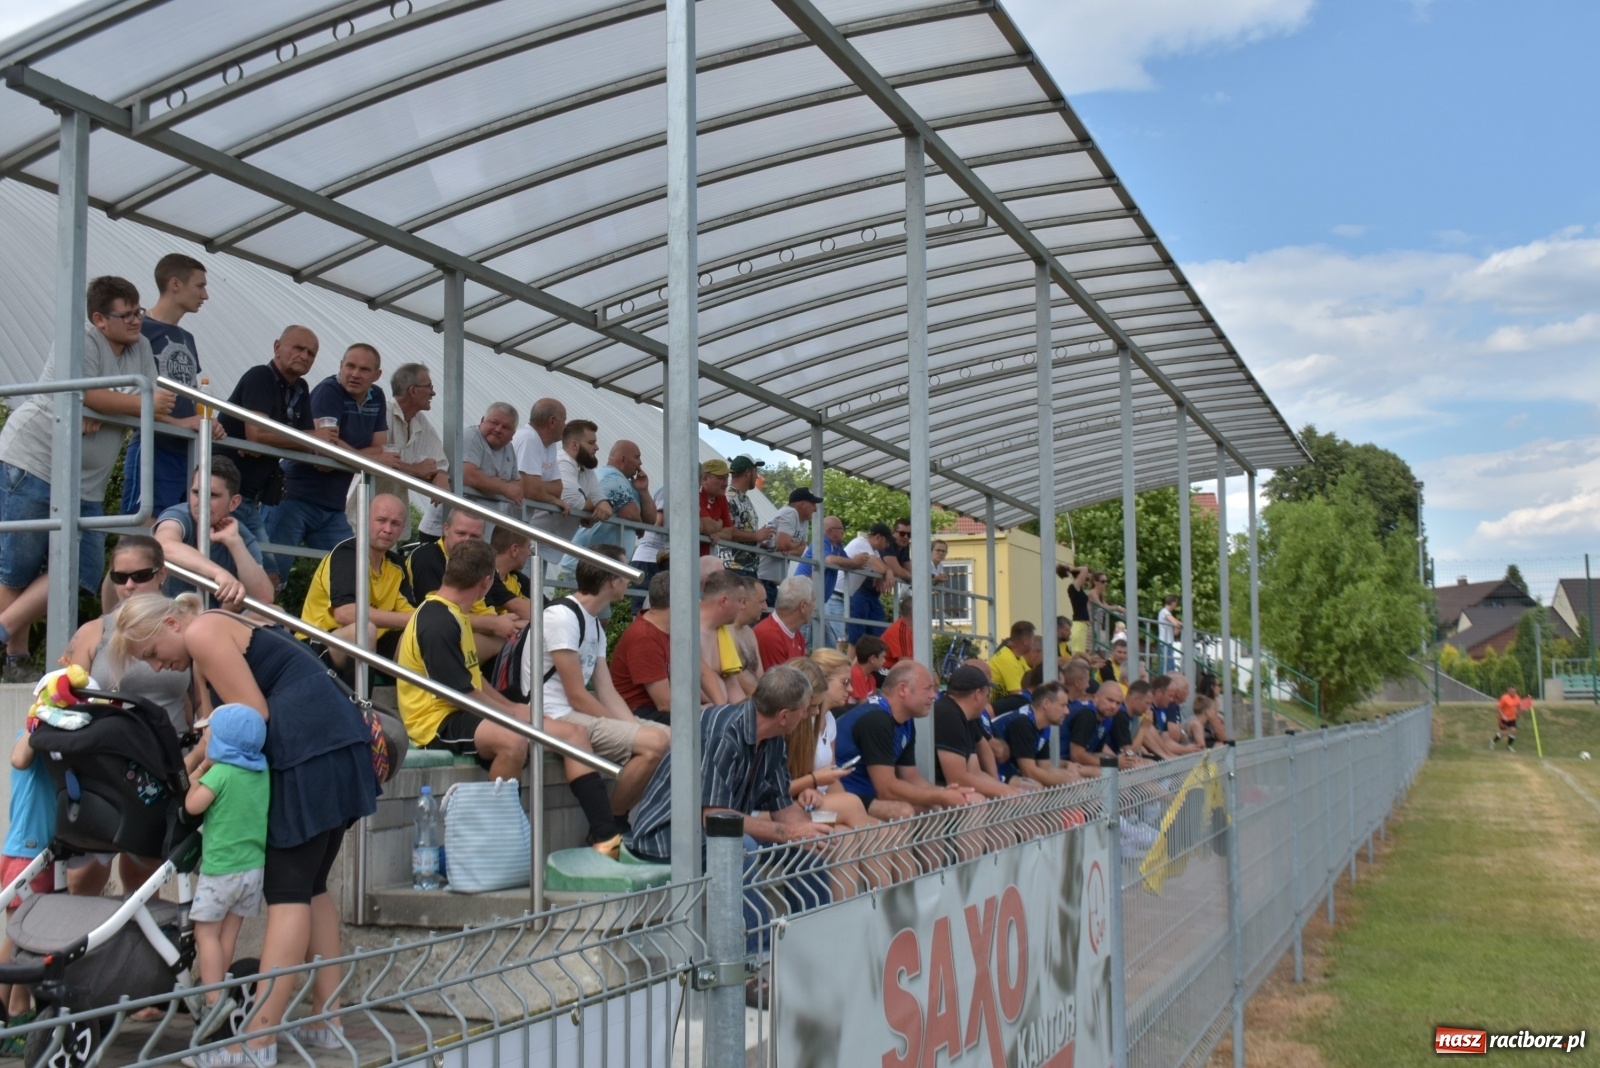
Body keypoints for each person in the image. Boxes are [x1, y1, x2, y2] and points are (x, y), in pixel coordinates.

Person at [110, 592, 380, 1064]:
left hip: (307, 753)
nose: (156, 667)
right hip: (336, 745)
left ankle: (257, 1039)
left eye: (151, 653)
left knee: (289, 889)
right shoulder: (217, 626)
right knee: (312, 885)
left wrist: (196, 765)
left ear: (171, 624)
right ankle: (327, 1018)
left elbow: (252, 714)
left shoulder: (202, 633)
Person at [0, 276, 172, 681]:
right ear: (99, 318)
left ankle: (4, 634)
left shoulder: (141, 346)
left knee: (82, 570)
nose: (136, 321)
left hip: (86, 482)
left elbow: (152, 403)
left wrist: (107, 406)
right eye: (126, 315)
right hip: (33, 462)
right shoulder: (79, 340)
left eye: (138, 311)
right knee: (17, 571)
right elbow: (92, 395)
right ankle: (15, 660)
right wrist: (110, 403)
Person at [60, 536, 193, 897]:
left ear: (162, 574)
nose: (129, 585)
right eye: (120, 577)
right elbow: (66, 698)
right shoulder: (95, 631)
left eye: (140, 575)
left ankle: (135, 936)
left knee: (143, 875)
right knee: (83, 878)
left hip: (163, 763)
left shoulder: (181, 626)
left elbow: (195, 701)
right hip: (106, 763)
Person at [527, 544, 670, 853]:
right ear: (611, 579)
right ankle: (612, 822)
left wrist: (633, 727)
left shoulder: (593, 623)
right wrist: (634, 731)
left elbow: (606, 690)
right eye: (624, 571)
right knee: (655, 742)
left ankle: (637, 820)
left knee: (669, 739)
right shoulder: (562, 617)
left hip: (575, 712)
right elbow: (578, 696)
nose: (629, 579)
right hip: (553, 714)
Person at [626, 664, 832, 859]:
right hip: (666, 836)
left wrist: (809, 832)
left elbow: (782, 806)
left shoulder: (774, 740)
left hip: (716, 832)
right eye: (805, 709)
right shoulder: (722, 734)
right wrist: (790, 833)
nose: (806, 716)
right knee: (742, 846)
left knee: (807, 847)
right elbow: (715, 817)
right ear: (784, 716)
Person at [268, 343, 395, 581]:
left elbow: (380, 447)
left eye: (364, 369)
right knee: (271, 575)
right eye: (350, 366)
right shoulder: (329, 390)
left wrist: (343, 455)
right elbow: (326, 445)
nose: (355, 374)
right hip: (292, 497)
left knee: (354, 576)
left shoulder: (377, 396)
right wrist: (366, 459)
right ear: (341, 366)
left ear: (377, 375)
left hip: (333, 504)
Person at [183, 703, 269, 1015]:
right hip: (252, 871)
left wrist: (200, 771)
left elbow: (192, 805)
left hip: (221, 872)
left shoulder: (220, 773)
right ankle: (219, 989)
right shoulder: (261, 772)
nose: (204, 740)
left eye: (208, 736)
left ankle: (212, 1002)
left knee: (205, 934)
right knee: (228, 935)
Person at [121, 253, 219, 521]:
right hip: (154, 447)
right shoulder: (140, 330)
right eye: (200, 286)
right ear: (175, 284)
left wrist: (206, 422)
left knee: (178, 531)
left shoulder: (187, 337)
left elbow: (192, 394)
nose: (205, 295)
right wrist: (180, 423)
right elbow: (129, 394)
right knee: (142, 531)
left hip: (187, 452)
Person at [216, 325, 320, 578]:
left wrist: (275, 442)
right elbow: (258, 434)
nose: (304, 356)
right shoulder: (261, 376)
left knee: (266, 576)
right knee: (235, 574)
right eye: (298, 348)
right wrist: (301, 440)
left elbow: (311, 440)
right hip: (224, 494)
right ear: (277, 347)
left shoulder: (300, 387)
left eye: (311, 353)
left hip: (249, 497)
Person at [834, 661, 976, 817]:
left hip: (868, 794)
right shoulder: (876, 719)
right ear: (902, 689)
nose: (934, 695)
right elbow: (886, 789)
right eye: (928, 688)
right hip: (846, 795)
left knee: (934, 808)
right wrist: (941, 796)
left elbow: (910, 777)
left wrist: (945, 792)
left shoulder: (905, 721)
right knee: (903, 811)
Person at [298, 494, 415, 671]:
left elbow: (410, 614)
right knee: (364, 630)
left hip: (374, 642)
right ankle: (359, 692)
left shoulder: (396, 565)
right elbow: (345, 614)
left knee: (422, 635)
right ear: (364, 520)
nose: (388, 529)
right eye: (381, 520)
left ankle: (438, 690)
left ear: (402, 529)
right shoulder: (346, 554)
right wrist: (411, 619)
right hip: (318, 642)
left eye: (395, 523)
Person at [406, 508, 527, 660]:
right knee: (509, 645)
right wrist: (494, 624)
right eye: (461, 533)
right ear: (446, 529)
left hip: (460, 632)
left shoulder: (480, 562)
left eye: (474, 536)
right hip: (427, 638)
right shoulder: (426, 557)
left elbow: (486, 611)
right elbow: (436, 616)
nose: (467, 541)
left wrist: (504, 624)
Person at [154, 457, 274, 608]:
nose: (202, 501)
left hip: (211, 618)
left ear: (234, 503)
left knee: (273, 612)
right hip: (167, 613)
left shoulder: (239, 533)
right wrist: (219, 574)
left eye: (213, 495)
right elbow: (162, 545)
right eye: (196, 493)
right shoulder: (179, 515)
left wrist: (235, 543)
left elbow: (264, 598)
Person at [347, 361, 449, 538]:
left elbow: (439, 460)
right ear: (413, 391)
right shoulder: (384, 412)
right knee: (355, 554)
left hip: (391, 519)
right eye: (429, 387)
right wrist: (415, 470)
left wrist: (441, 475)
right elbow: (378, 457)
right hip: (359, 514)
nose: (433, 393)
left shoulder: (419, 420)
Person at [0, 720, 55, 1040]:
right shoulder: (33, 737)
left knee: (23, 936)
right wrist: (40, 717)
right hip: (27, 854)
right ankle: (14, 1011)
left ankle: (14, 1010)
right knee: (19, 937)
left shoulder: (48, 740)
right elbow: (19, 758)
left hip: (30, 852)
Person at [784, 649, 875, 828]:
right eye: (845, 682)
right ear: (823, 680)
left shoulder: (830, 720)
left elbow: (832, 781)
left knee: (854, 829)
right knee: (851, 808)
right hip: (792, 809)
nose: (851, 689)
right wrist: (813, 781)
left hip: (816, 804)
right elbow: (776, 790)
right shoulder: (797, 723)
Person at [422, 403, 521, 537]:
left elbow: (517, 487)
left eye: (506, 427)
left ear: (513, 434)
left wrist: (488, 482)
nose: (498, 429)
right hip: (444, 531)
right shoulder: (472, 436)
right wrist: (503, 487)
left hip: (478, 533)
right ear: (482, 421)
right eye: (494, 422)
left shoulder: (509, 448)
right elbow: (467, 475)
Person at [933, 665, 1019, 798]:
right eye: (987, 695)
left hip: (949, 788)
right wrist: (1005, 793)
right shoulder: (948, 715)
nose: (987, 701)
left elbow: (975, 772)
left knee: (1015, 795)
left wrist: (1007, 790)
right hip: (935, 788)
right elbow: (957, 779)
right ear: (978, 695)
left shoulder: (966, 715)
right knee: (978, 800)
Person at [571, 438, 656, 560]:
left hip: (597, 560)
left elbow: (650, 521)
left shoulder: (624, 483)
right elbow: (630, 513)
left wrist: (643, 490)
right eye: (637, 457)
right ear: (623, 459)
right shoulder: (612, 476)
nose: (640, 463)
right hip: (591, 562)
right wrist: (639, 525)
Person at [610, 571, 674, 723]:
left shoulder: (669, 629)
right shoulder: (645, 636)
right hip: (637, 713)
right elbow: (665, 704)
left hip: (655, 708)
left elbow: (700, 674)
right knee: (706, 723)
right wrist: (704, 711)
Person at [992, 681, 1082, 787]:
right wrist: (1069, 782)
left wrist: (1072, 777)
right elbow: (1029, 772)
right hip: (993, 772)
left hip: (1008, 772)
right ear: (1046, 704)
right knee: (1035, 787)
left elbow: (1046, 767)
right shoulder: (1023, 723)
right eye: (1063, 705)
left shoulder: (1044, 726)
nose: (1067, 711)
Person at [508, 397, 568, 549]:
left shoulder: (550, 444)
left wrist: (536, 486)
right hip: (504, 522)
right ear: (552, 421)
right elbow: (529, 489)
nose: (565, 425)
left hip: (517, 522)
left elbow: (558, 488)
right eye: (564, 420)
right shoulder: (528, 439)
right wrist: (552, 500)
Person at [794, 515, 863, 649]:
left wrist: (857, 561)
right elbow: (829, 560)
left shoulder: (837, 546)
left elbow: (848, 562)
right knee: (803, 642)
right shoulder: (822, 541)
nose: (843, 531)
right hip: (804, 598)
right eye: (840, 528)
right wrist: (855, 561)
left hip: (816, 601)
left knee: (829, 644)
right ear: (830, 531)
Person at [757, 488, 819, 605]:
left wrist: (789, 550)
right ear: (802, 504)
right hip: (763, 579)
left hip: (771, 582)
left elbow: (800, 551)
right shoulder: (790, 513)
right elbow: (783, 544)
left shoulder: (804, 521)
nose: (815, 509)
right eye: (813, 504)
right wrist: (796, 544)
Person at [1066, 680, 1142, 774]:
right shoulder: (1087, 715)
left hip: (1076, 765)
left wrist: (1125, 761)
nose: (1113, 706)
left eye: (1118, 703)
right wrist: (1113, 762)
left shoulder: (1108, 719)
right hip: (1062, 763)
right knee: (1109, 773)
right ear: (1097, 697)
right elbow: (1076, 755)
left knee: (1134, 767)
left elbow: (1096, 753)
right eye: (1110, 700)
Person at [698, 568, 747, 705]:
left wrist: (744, 713)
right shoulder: (688, 630)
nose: (743, 607)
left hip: (722, 710)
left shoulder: (724, 631)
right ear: (724, 601)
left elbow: (732, 686)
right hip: (694, 711)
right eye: (741, 601)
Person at [842, 523, 894, 644]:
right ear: (878, 537)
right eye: (887, 541)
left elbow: (882, 567)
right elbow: (880, 568)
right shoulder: (862, 543)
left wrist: (888, 571)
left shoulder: (873, 550)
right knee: (851, 638)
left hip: (847, 593)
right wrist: (885, 571)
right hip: (839, 593)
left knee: (853, 637)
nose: (888, 545)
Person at [720, 455, 771, 577]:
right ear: (748, 472)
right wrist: (756, 536)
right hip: (732, 567)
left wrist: (760, 543)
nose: (757, 476)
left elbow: (741, 530)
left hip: (747, 568)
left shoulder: (743, 497)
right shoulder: (728, 497)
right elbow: (725, 531)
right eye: (755, 471)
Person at [753, 576, 812, 670]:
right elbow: (779, 679)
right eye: (813, 601)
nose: (814, 607)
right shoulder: (769, 635)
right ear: (803, 606)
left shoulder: (796, 634)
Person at [988, 621, 1035, 700]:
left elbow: (1031, 680)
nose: (1033, 643)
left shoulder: (1018, 656)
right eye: (1033, 639)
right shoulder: (1006, 659)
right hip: (996, 706)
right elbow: (1018, 695)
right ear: (1026, 641)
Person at [698, 458, 733, 557]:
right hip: (687, 556)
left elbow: (730, 532)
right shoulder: (697, 494)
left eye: (726, 478)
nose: (726, 484)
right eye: (720, 478)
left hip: (706, 558)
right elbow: (708, 528)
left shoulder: (722, 499)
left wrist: (718, 534)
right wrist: (719, 524)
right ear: (705, 479)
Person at [1056, 563, 1093, 655]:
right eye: (1086, 577)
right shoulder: (1074, 587)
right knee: (1078, 653)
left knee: (1083, 651)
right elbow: (1085, 569)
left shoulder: (1079, 589)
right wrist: (1070, 568)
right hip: (1079, 624)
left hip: (1083, 625)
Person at [849, 636, 887, 702]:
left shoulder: (871, 678)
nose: (884, 661)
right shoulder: (856, 674)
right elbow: (863, 705)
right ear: (872, 659)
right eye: (882, 657)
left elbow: (872, 703)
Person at [880, 595, 914, 667]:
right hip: (885, 669)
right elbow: (906, 664)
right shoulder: (900, 631)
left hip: (895, 669)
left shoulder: (909, 629)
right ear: (912, 613)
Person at [1157, 594, 1182, 671]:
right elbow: (1175, 622)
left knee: (1169, 665)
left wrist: (1179, 626)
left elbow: (1175, 631)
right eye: (1176, 602)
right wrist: (1180, 624)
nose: (1176, 605)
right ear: (1172, 603)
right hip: (1164, 643)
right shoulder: (1164, 612)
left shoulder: (1167, 613)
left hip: (1168, 642)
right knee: (1168, 666)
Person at [1493, 685, 1520, 751]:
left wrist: (1518, 713)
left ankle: (1509, 746)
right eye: (1511, 691)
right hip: (1503, 718)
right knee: (1503, 733)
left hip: (1512, 718)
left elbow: (1518, 706)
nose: (1513, 692)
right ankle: (1493, 742)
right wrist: (1503, 716)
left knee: (1514, 731)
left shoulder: (1517, 697)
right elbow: (1498, 708)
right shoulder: (1504, 697)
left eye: (1514, 691)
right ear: (1508, 691)